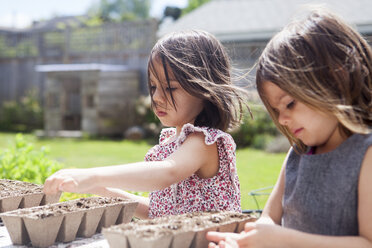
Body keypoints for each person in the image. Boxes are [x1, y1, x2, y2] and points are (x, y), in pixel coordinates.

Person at [207, 7, 372, 248]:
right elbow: (269, 219)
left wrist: (283, 240)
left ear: (336, 78)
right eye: (276, 111)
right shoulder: (298, 153)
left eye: (290, 104)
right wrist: (251, 240)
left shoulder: (365, 154)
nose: (282, 120)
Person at [43, 30, 248, 219]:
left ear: (205, 88)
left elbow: (167, 172)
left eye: (169, 88)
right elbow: (158, 211)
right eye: (153, 86)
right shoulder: (171, 143)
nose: (157, 97)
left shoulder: (204, 141)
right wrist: (99, 187)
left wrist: (93, 175)